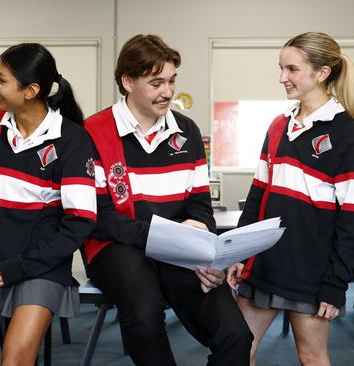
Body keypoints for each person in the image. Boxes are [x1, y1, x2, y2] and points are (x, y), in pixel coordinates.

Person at [83, 34, 253, 366]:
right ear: (128, 81)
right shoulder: (94, 131)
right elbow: (97, 217)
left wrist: (201, 234)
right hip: (116, 247)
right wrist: (157, 236)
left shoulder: (187, 131)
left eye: (172, 80)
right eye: (156, 82)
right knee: (145, 316)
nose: (168, 92)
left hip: (179, 248)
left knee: (236, 334)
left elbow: (201, 206)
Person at [226, 32, 354, 365]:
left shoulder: (349, 135)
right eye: (281, 68)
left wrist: (336, 283)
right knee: (237, 350)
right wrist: (239, 250)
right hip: (264, 261)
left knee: (311, 356)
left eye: (292, 69)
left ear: (322, 73)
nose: (282, 78)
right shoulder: (278, 126)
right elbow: (257, 197)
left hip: (311, 271)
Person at [0, 43, 97, 366]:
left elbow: (80, 222)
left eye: (1, 80)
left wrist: (19, 267)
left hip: (39, 268)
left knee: (14, 361)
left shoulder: (73, 140)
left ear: (30, 91)